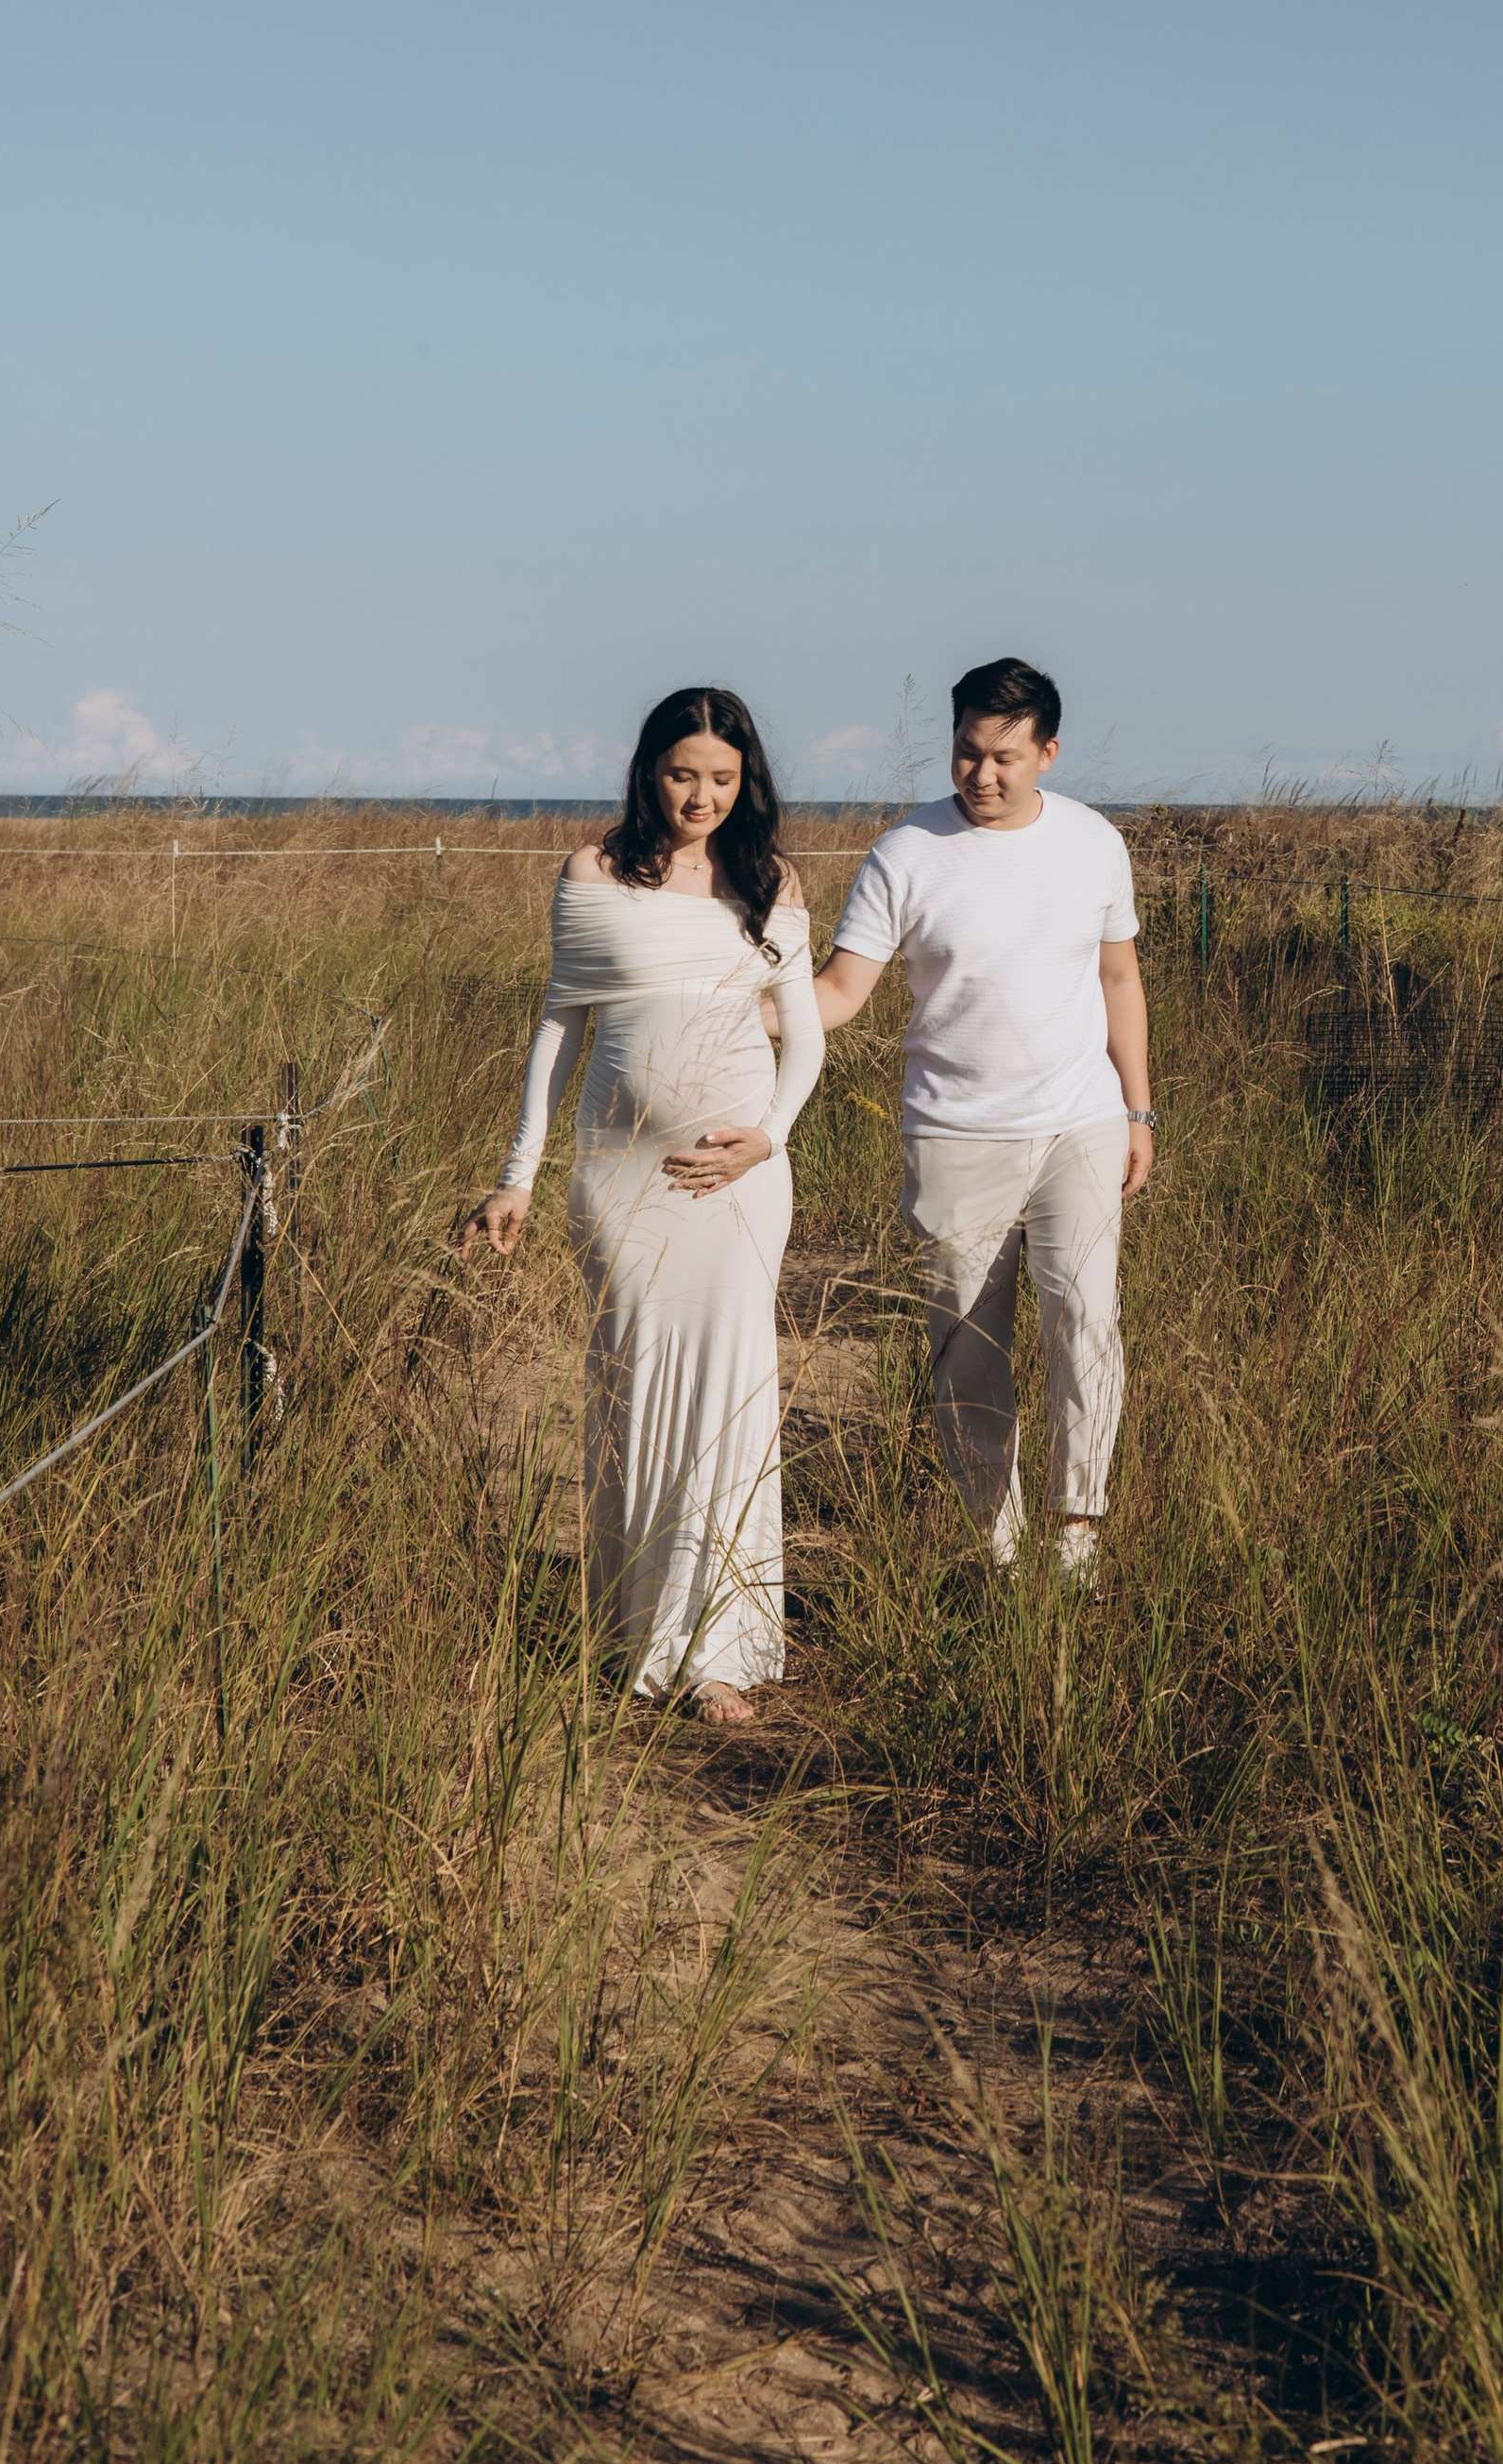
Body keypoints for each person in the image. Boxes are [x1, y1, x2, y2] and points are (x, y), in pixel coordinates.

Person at [460, 686, 823, 1724]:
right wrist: (517, 1172)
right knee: (634, 1383)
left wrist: (769, 1140)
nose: (699, 795)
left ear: (744, 778)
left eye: (721, 777)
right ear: (647, 770)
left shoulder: (771, 882)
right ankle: (630, 1626)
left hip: (743, 1180)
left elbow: (805, 1038)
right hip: (621, 1179)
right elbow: (558, 1032)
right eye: (680, 774)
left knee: (730, 1393)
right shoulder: (595, 872)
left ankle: (718, 1647)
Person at [814, 657, 1152, 1583]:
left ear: (1047, 752)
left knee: (1086, 1319)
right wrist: (736, 1007)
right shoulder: (905, 854)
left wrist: (1138, 1108)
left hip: (1079, 1122)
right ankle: (996, 1551)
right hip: (954, 1134)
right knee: (967, 1350)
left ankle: (1075, 1534)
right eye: (967, 753)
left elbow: (1118, 978)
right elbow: (842, 992)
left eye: (1004, 756)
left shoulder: (1093, 843)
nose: (982, 775)